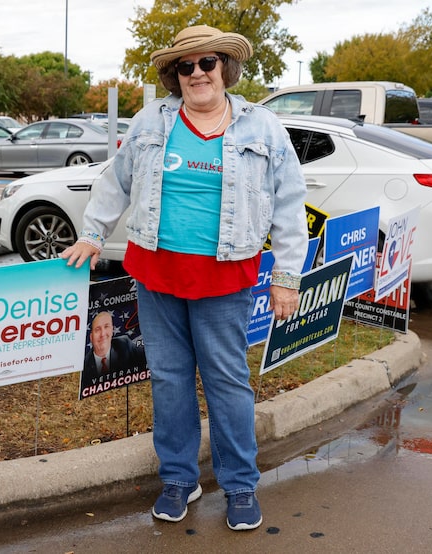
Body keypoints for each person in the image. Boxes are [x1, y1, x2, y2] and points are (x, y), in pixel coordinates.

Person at [62, 24, 308, 532]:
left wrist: (286, 275)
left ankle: (239, 485)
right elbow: (117, 179)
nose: (197, 73)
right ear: (175, 76)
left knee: (226, 382)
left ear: (225, 68)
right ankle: (178, 478)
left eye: (207, 63)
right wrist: (91, 232)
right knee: (170, 381)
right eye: (185, 66)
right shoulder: (152, 120)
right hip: (157, 271)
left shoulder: (262, 128)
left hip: (224, 276)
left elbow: (288, 202)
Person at [83, 311, 145, 379]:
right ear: (91, 337)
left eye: (106, 327)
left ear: (112, 330)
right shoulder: (85, 365)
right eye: (97, 329)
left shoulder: (124, 345)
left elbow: (148, 358)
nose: (103, 334)